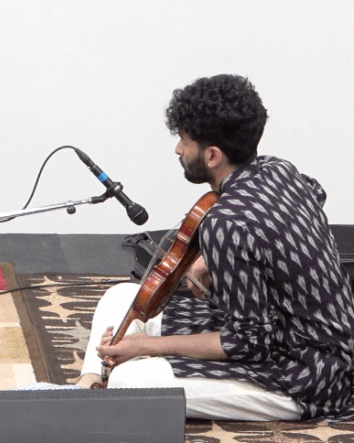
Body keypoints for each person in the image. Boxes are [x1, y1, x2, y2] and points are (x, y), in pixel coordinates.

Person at [77, 74, 354, 420]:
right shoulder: (277, 169)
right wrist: (206, 261)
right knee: (120, 298)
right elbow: (314, 193)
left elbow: (249, 343)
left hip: (310, 375)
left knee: (131, 380)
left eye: (184, 141)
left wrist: (146, 347)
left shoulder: (225, 224)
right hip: (297, 333)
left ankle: (105, 384)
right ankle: (88, 384)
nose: (178, 149)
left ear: (212, 156)